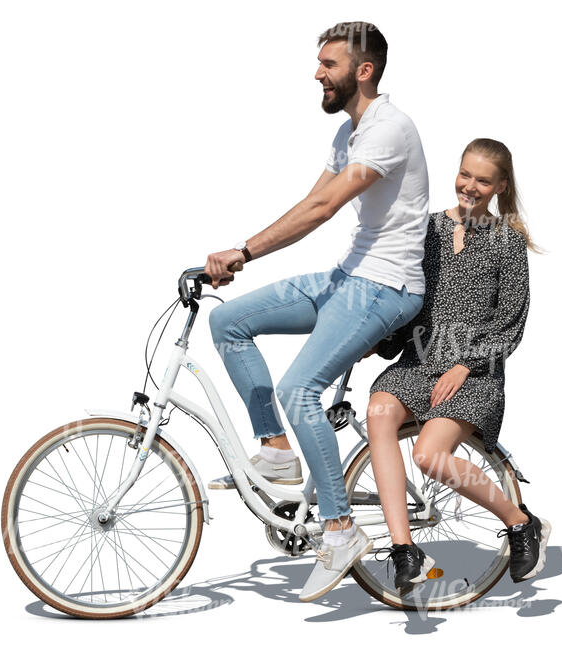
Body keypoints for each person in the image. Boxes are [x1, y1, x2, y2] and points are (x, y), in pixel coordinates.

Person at [203, 21, 429, 602]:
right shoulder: (350, 132)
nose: (316, 73)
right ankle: (277, 452)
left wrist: (244, 251)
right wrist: (245, 252)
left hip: (386, 287)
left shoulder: (389, 127)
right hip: (348, 277)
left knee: (300, 387)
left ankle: (340, 528)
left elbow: (326, 207)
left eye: (328, 64)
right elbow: (311, 200)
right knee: (229, 321)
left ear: (364, 71)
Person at [364, 138, 551, 596]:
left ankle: (520, 522)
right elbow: (405, 294)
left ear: (501, 186)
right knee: (378, 413)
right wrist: (374, 337)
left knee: (429, 455)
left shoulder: (507, 240)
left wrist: (465, 365)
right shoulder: (426, 230)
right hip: (420, 361)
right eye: (464, 174)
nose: (469, 186)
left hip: (476, 371)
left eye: (483, 180)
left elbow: (511, 318)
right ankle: (405, 550)